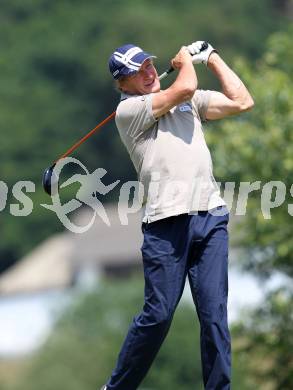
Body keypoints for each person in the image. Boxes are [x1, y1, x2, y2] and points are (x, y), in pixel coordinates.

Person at [101, 42, 254, 390]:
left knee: (215, 317)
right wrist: (186, 62)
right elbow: (184, 85)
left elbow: (242, 101)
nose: (150, 73)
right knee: (158, 316)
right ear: (123, 83)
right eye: (139, 71)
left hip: (210, 217)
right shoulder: (130, 111)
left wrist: (212, 57)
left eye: (151, 66)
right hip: (165, 225)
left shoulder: (188, 101)